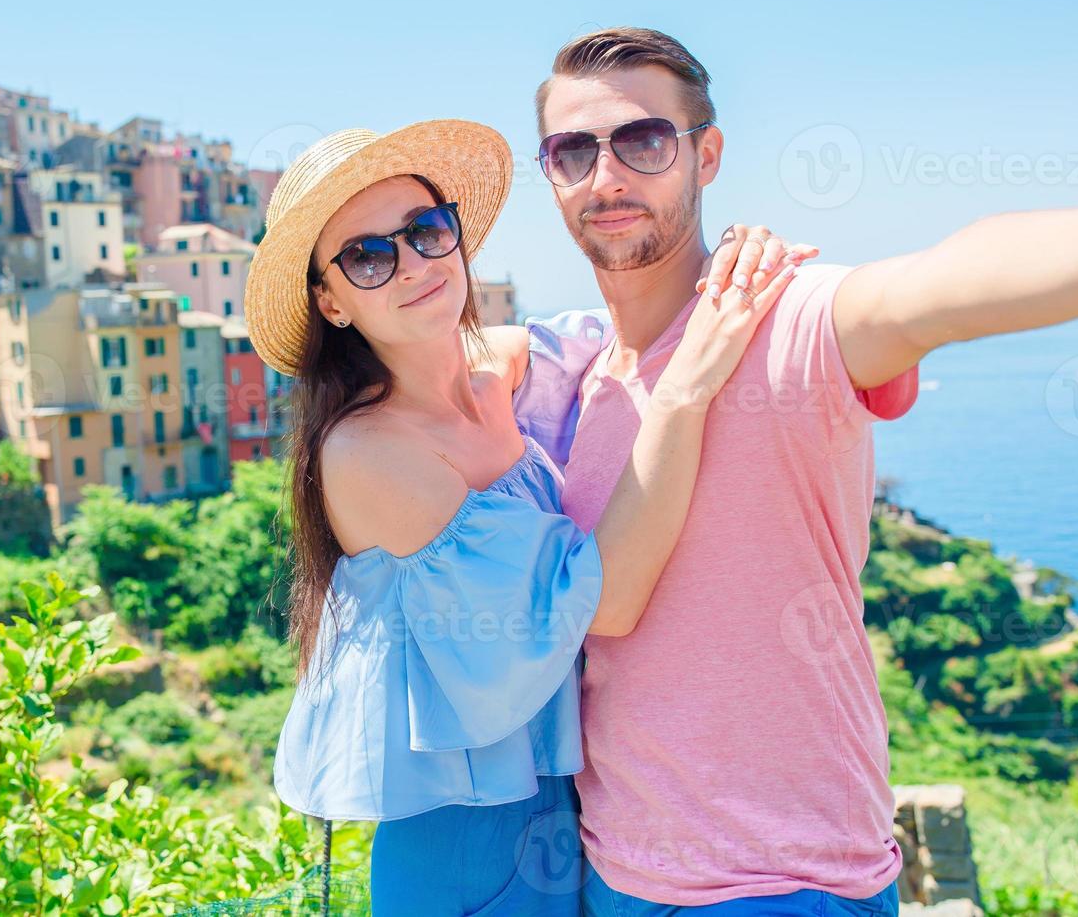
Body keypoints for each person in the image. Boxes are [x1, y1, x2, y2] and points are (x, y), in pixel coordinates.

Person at [522, 26, 1078, 915]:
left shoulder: (785, 315)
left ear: (705, 155)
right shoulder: (577, 379)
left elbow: (949, 279)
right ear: (550, 174)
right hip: (613, 875)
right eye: (573, 150)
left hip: (788, 884)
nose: (608, 176)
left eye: (643, 140)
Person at [245, 119, 809, 916]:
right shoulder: (365, 453)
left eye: (425, 231)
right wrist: (689, 390)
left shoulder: (500, 371)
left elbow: (620, 331)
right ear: (330, 301)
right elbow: (601, 597)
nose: (410, 264)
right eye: (368, 256)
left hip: (586, 818)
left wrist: (729, 263)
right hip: (463, 854)